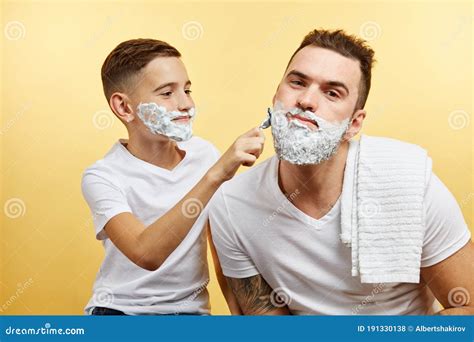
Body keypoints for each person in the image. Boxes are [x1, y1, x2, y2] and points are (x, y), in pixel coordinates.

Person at [208, 29, 473, 315]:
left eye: (332, 93)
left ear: (354, 124)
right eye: (297, 82)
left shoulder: (410, 183)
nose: (306, 101)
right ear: (275, 97)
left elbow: (468, 307)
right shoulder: (231, 205)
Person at [82, 38, 263, 315]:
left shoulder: (204, 155)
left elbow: (222, 250)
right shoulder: (103, 176)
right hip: (121, 314)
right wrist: (217, 175)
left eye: (187, 90)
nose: (185, 104)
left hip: (192, 315)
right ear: (124, 107)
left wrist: (240, 320)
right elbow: (146, 253)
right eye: (167, 93)